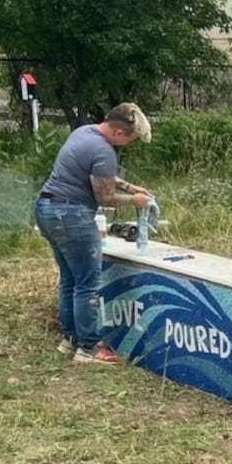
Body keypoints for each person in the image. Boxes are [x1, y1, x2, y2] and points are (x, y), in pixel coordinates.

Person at [33, 102, 154, 365]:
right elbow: (106, 196)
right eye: (129, 141)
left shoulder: (84, 133)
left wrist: (130, 186)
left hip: (46, 207)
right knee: (88, 283)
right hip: (71, 215)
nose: (126, 146)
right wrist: (136, 201)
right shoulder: (104, 150)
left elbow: (100, 176)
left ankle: (70, 339)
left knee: (69, 279)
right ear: (120, 133)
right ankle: (89, 348)